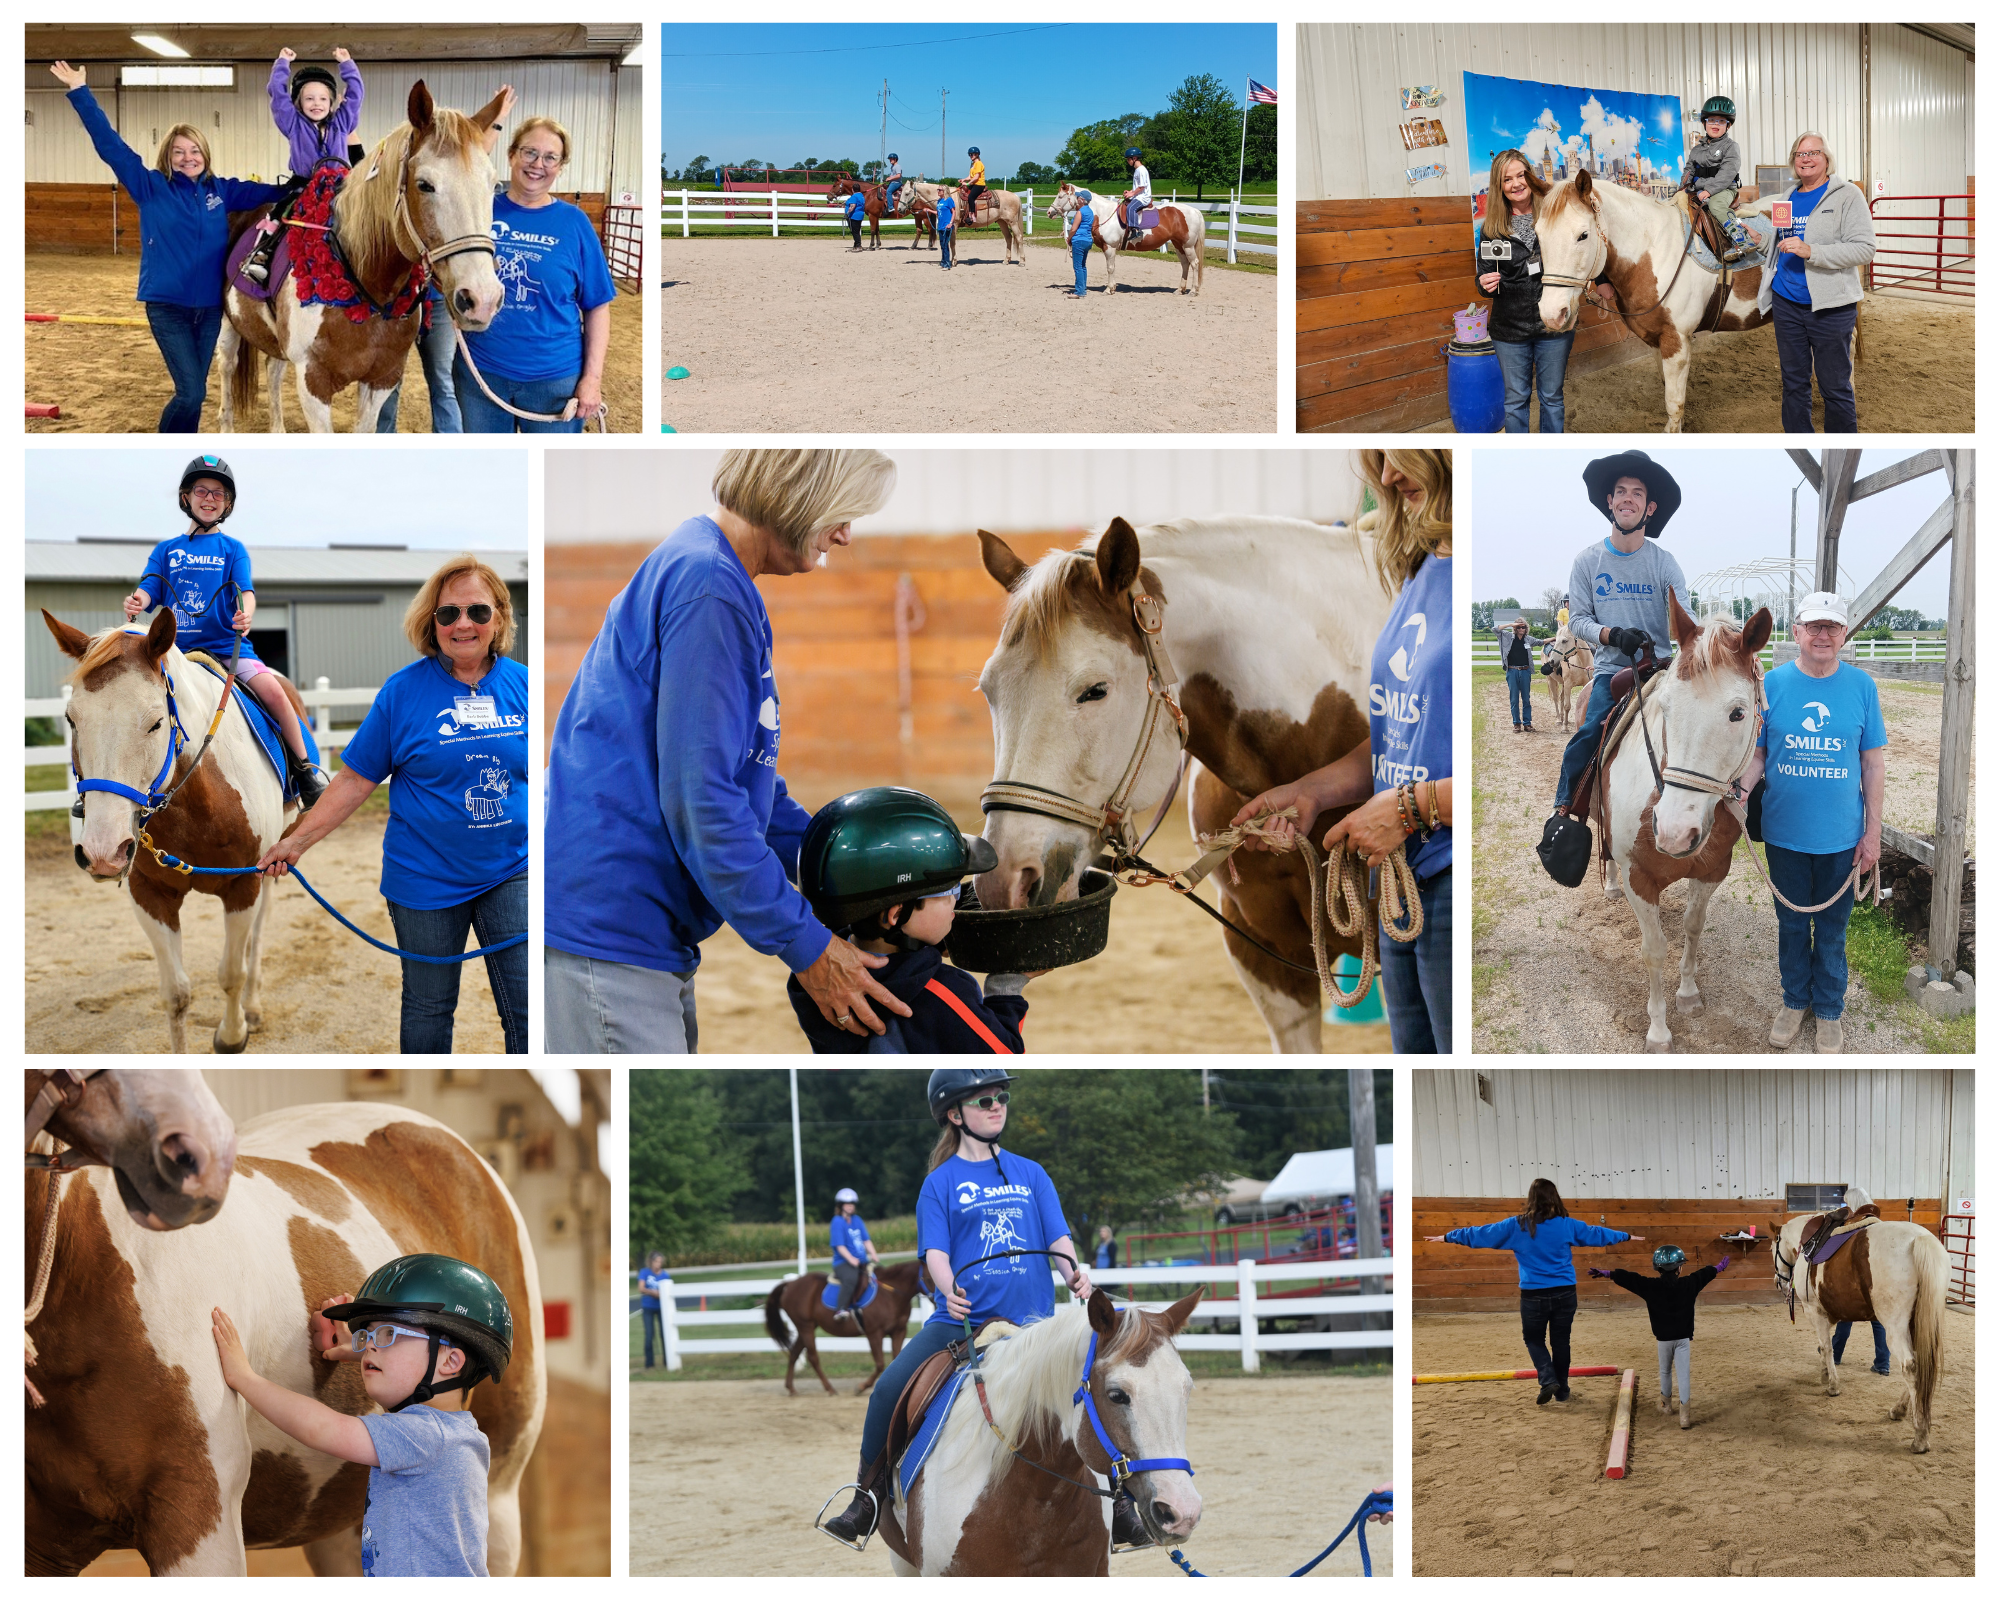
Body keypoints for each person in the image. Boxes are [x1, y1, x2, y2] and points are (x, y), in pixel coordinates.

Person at [542, 449, 910, 1053]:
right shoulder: (710, 590)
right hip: (612, 931)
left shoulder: (710, 571)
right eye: (842, 514)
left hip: (636, 929)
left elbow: (742, 780)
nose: (845, 535)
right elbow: (703, 799)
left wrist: (856, 865)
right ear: (799, 496)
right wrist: (809, 948)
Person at [819, 1070, 1113, 1549]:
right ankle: (866, 1498)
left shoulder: (1031, 1173)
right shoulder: (940, 1183)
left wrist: (1074, 1273)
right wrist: (947, 1285)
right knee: (887, 1390)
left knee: (1104, 1386)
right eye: (984, 1101)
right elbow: (935, 1251)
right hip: (963, 1323)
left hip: (1033, 1326)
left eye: (1002, 1096)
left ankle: (1119, 1500)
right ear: (955, 1115)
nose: (997, 1105)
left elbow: (1058, 1237)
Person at [255, 555, 527, 1054]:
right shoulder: (403, 693)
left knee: (531, 1010)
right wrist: (296, 842)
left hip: (513, 869)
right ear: (432, 623)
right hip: (425, 878)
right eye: (448, 614)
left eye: (477, 612)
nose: (463, 624)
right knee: (428, 1008)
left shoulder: (523, 685)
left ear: (501, 618)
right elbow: (356, 779)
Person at [1230, 450, 1454, 1053]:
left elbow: (1499, 764)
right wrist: (1312, 790)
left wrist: (1409, 809)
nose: (1387, 477)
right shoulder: (1423, 568)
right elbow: (1400, 729)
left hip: (1453, 872)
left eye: (1400, 459)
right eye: (1379, 461)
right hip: (1401, 879)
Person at [211, 1253, 513, 1576]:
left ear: (451, 1362)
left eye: (388, 1336)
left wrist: (246, 1378)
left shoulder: (424, 1435)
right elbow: (413, 1362)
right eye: (367, 1336)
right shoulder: (456, 1434)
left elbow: (321, 1428)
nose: (370, 1347)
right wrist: (363, 1346)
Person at [49, 62, 288, 433]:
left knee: (193, 393)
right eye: (179, 151)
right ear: (168, 156)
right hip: (168, 308)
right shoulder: (150, 187)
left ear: (205, 154)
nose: (187, 157)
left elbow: (275, 192)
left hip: (209, 310)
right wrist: (80, 91)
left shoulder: (221, 191)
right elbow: (110, 145)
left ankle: (181, 445)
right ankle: (164, 447)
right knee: (191, 392)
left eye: (194, 150)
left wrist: (318, 180)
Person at [120, 456, 325, 808]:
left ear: (227, 504)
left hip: (227, 650)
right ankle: (108, 786)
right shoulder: (167, 549)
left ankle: (304, 771)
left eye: (218, 493)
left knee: (275, 694)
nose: (209, 498)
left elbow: (245, 591)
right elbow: (150, 586)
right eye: (202, 490)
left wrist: (246, 615)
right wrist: (138, 600)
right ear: (186, 497)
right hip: (176, 653)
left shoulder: (233, 549)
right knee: (125, 702)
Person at [1732, 590, 1884, 1054]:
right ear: (1796, 632)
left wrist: (1872, 832)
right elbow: (1758, 755)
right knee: (1793, 925)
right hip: (1785, 836)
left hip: (1840, 839)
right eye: (1813, 626)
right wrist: (1738, 795)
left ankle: (1831, 1010)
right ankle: (1795, 1001)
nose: (1823, 634)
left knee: (1834, 930)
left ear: (1843, 634)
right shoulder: (1772, 686)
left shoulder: (1861, 688)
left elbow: (1872, 765)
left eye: (1832, 627)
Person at [787, 787, 1031, 1053]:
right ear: (895, 914)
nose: (955, 900)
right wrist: (1007, 985)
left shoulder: (814, 982)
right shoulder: (941, 990)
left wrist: (929, 945)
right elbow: (1003, 1052)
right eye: (951, 891)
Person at [1548, 451, 1687, 821]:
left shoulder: (1664, 563)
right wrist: (1610, 635)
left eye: (1637, 493)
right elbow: (1578, 620)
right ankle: (1565, 811)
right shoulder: (1587, 562)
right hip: (1612, 671)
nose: (1628, 498)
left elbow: (1683, 620)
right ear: (1609, 502)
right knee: (1589, 734)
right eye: (1621, 491)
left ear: (1650, 507)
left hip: (1659, 669)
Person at [456, 115, 616, 434]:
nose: (537, 164)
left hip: (555, 381)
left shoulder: (575, 224)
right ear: (512, 154)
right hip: (481, 374)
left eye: (550, 157)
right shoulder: (478, 212)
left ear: (560, 166)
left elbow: (597, 306)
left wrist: (592, 379)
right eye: (529, 152)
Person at [378, 85, 517, 435]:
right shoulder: (405, 175)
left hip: (439, 300)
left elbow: (467, 166)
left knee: (442, 380)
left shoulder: (462, 170)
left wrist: (494, 124)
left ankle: (452, 447)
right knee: (386, 383)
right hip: (398, 301)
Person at [1425, 1178, 1639, 1404]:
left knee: (1534, 1339)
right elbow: (1595, 1233)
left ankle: (1548, 1380)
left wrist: (1449, 1236)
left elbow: (1481, 1233)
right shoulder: (1567, 1225)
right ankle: (1563, 1389)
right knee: (1561, 1342)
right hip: (1565, 1292)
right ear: (1555, 1198)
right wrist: (1624, 1235)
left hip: (1534, 1295)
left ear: (1531, 1199)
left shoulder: (1516, 1226)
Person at [1758, 133, 1876, 434]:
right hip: (1787, 304)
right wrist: (1760, 240)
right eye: (1800, 154)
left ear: (1826, 158)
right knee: (1794, 383)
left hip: (1830, 307)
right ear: (1793, 161)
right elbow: (1782, 244)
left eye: (1813, 152)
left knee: (1834, 386)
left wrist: (1812, 251)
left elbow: (1865, 249)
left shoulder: (1848, 195)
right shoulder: (1786, 198)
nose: (1806, 159)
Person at [241, 47, 366, 285]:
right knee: (280, 211)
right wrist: (282, 64)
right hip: (304, 185)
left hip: (340, 186)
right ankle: (261, 255)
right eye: (309, 98)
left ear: (332, 103)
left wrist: (347, 64)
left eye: (322, 99)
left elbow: (356, 95)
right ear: (299, 102)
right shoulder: (293, 124)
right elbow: (278, 95)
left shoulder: (342, 122)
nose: (316, 104)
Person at [1475, 149, 1579, 433]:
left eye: (1521, 175)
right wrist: (1484, 284)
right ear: (1500, 187)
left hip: (1554, 325)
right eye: (1507, 179)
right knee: (1516, 400)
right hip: (1510, 329)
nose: (1516, 184)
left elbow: (1581, 248)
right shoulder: (1491, 229)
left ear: (1531, 177)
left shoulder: (1556, 214)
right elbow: (1484, 275)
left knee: (1552, 398)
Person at [1590, 1245, 1731, 1430]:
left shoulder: (1650, 1286)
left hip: (1663, 1340)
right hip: (1683, 1340)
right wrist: (1718, 1268)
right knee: (1683, 1375)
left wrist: (1609, 1273)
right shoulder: (1689, 1284)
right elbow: (1703, 1274)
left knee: (1665, 1371)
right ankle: (1684, 1417)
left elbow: (1632, 1280)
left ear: (1658, 1268)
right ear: (1679, 1268)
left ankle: (1666, 1406)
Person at [1680, 96, 1757, 264]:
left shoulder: (1730, 146)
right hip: (1698, 189)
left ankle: (1743, 240)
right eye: (1712, 120)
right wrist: (1682, 187)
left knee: (1716, 205)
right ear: (1704, 122)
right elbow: (1689, 170)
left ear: (1728, 125)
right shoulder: (1696, 150)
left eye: (1721, 121)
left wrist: (1710, 190)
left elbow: (1728, 172)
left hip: (1723, 189)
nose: (1715, 125)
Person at [830, 1188, 880, 1319]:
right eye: (847, 1204)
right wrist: (851, 1259)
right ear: (840, 1206)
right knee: (850, 1279)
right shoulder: (837, 1222)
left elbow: (866, 1240)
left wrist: (873, 1254)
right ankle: (840, 1309)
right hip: (843, 1263)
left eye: (852, 1204)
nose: (850, 1207)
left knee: (878, 1274)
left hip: (861, 1261)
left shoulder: (857, 1220)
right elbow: (839, 1246)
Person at [637, 1251, 671, 1370]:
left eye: (660, 1262)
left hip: (662, 1308)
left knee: (664, 1334)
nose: (659, 1264)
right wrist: (653, 1292)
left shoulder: (665, 1275)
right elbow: (641, 1288)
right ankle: (649, 1363)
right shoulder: (644, 1273)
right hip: (648, 1307)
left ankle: (668, 1360)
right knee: (649, 1334)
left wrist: (660, 1294)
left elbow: (668, 1291)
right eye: (657, 1261)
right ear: (651, 1262)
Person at [1503, 616, 1536, 732]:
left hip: (1525, 671)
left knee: (1526, 698)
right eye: (1519, 627)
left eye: (1523, 627)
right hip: (1512, 671)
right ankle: (1516, 723)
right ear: (1515, 628)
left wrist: (1555, 638)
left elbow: (1541, 642)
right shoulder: (1507, 637)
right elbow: (1495, 629)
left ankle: (1527, 723)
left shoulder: (1528, 640)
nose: (1521, 629)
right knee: (1514, 699)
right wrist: (1511, 624)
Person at [1068, 188, 1098, 297]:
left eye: (1078, 197)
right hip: (1087, 240)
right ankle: (1082, 287)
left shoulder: (1080, 212)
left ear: (1081, 200)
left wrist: (1069, 238)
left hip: (1078, 240)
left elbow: (1073, 229)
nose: (1076, 199)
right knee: (1083, 265)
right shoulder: (1090, 211)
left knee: (1077, 266)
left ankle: (1080, 291)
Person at [1122, 147, 1152, 247]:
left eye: (1128, 159)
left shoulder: (1141, 170)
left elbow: (1142, 187)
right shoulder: (1137, 170)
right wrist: (1130, 192)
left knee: (1131, 208)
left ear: (1134, 158)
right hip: (1139, 195)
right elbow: (1137, 187)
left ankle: (1136, 230)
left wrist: (1132, 194)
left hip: (1144, 197)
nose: (1128, 161)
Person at [936, 188, 957, 271]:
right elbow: (938, 213)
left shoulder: (949, 200)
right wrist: (929, 210)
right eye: (938, 190)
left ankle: (947, 264)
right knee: (942, 245)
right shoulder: (939, 201)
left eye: (940, 190)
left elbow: (954, 212)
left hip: (946, 226)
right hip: (940, 226)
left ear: (944, 191)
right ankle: (943, 262)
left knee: (945, 245)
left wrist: (951, 223)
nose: (938, 191)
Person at [963, 146, 987, 219]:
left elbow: (976, 177)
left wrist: (967, 183)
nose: (970, 156)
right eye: (969, 154)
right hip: (973, 184)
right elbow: (970, 176)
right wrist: (963, 180)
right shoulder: (973, 164)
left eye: (972, 154)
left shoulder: (979, 163)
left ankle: (972, 214)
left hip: (979, 184)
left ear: (977, 154)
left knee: (971, 197)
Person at [844, 184, 867, 250]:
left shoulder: (854, 196)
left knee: (854, 231)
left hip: (854, 216)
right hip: (860, 215)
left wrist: (847, 213)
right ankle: (856, 244)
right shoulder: (861, 196)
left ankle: (858, 245)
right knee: (857, 230)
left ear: (853, 189)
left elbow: (853, 206)